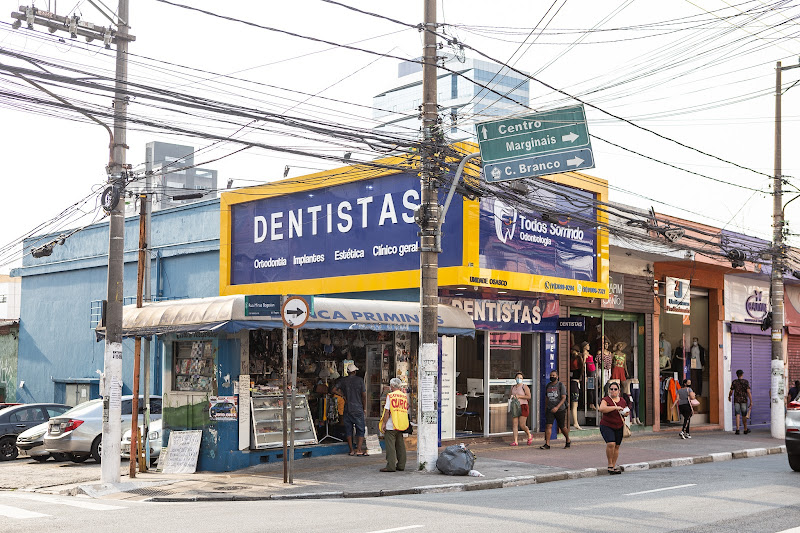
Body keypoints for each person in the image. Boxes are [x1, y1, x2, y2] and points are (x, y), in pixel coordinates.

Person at [333, 362, 368, 455]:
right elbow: (364, 395)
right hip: (357, 408)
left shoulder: (343, 381)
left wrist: (343, 395)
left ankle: (351, 450)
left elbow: (333, 390)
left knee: (348, 429)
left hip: (347, 408)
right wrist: (365, 408)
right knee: (360, 429)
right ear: (355, 372)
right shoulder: (360, 380)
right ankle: (359, 450)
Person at [379, 377, 409, 472]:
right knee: (400, 446)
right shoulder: (404, 396)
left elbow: (387, 411)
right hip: (400, 424)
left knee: (390, 446)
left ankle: (390, 466)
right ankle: (401, 465)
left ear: (392, 386)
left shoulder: (390, 396)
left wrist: (384, 423)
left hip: (391, 424)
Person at [598, 382, 628, 474]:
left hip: (619, 425)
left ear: (619, 391)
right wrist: (615, 408)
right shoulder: (606, 399)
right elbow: (601, 409)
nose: (613, 391)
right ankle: (610, 465)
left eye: (615, 389)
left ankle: (614, 466)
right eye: (611, 389)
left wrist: (626, 413)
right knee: (611, 443)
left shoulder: (622, 400)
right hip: (607, 425)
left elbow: (626, 410)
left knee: (617, 446)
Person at [541, 370, 571, 449]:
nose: (552, 377)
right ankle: (547, 444)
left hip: (560, 409)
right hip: (550, 409)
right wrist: (546, 407)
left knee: (562, 427)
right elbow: (547, 398)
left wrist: (557, 407)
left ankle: (568, 439)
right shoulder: (548, 386)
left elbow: (563, 397)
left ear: (557, 377)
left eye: (554, 375)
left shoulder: (561, 385)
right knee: (548, 426)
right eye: (551, 375)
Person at [509, 371, 532, 446]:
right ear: (515, 378)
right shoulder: (512, 387)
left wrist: (519, 396)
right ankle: (515, 441)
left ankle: (529, 434)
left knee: (522, 425)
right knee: (514, 424)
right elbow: (510, 395)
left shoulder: (524, 386)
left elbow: (529, 396)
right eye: (518, 378)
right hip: (515, 406)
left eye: (521, 378)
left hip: (523, 406)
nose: (519, 379)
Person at [728, 369, 752, 435]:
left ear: (737, 375)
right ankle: (745, 429)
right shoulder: (745, 382)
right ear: (742, 375)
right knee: (744, 415)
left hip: (736, 400)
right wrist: (751, 401)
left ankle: (737, 429)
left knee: (737, 414)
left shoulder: (734, 382)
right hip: (744, 400)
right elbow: (748, 392)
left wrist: (729, 397)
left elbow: (731, 391)